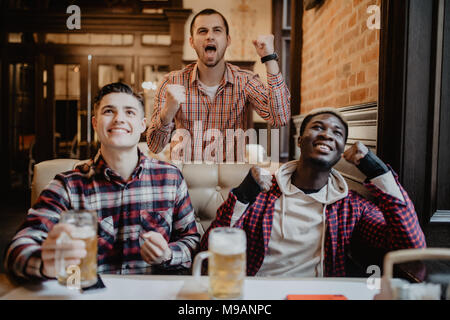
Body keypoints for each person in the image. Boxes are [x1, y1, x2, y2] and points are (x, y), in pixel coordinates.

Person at [4, 82, 200, 281]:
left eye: (130, 112)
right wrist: (46, 264)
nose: (119, 119)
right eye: (109, 111)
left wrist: (168, 254)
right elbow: (17, 249)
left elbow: (192, 241)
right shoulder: (67, 186)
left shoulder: (170, 178)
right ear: (95, 123)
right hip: (86, 293)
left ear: (142, 126)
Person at [200, 108, 426, 277]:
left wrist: (379, 172)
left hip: (320, 292)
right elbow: (208, 251)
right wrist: (243, 195)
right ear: (300, 140)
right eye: (318, 127)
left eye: (337, 133)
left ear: (340, 151)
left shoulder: (351, 206)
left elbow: (411, 248)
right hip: (259, 293)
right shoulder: (262, 194)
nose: (328, 135)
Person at [147, 8, 291, 162]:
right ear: (192, 42)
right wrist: (167, 113)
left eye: (217, 30)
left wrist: (269, 58)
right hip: (187, 180)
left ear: (228, 40)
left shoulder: (245, 81)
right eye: (202, 31)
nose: (209, 36)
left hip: (230, 180)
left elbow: (280, 118)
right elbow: (155, 147)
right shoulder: (171, 82)